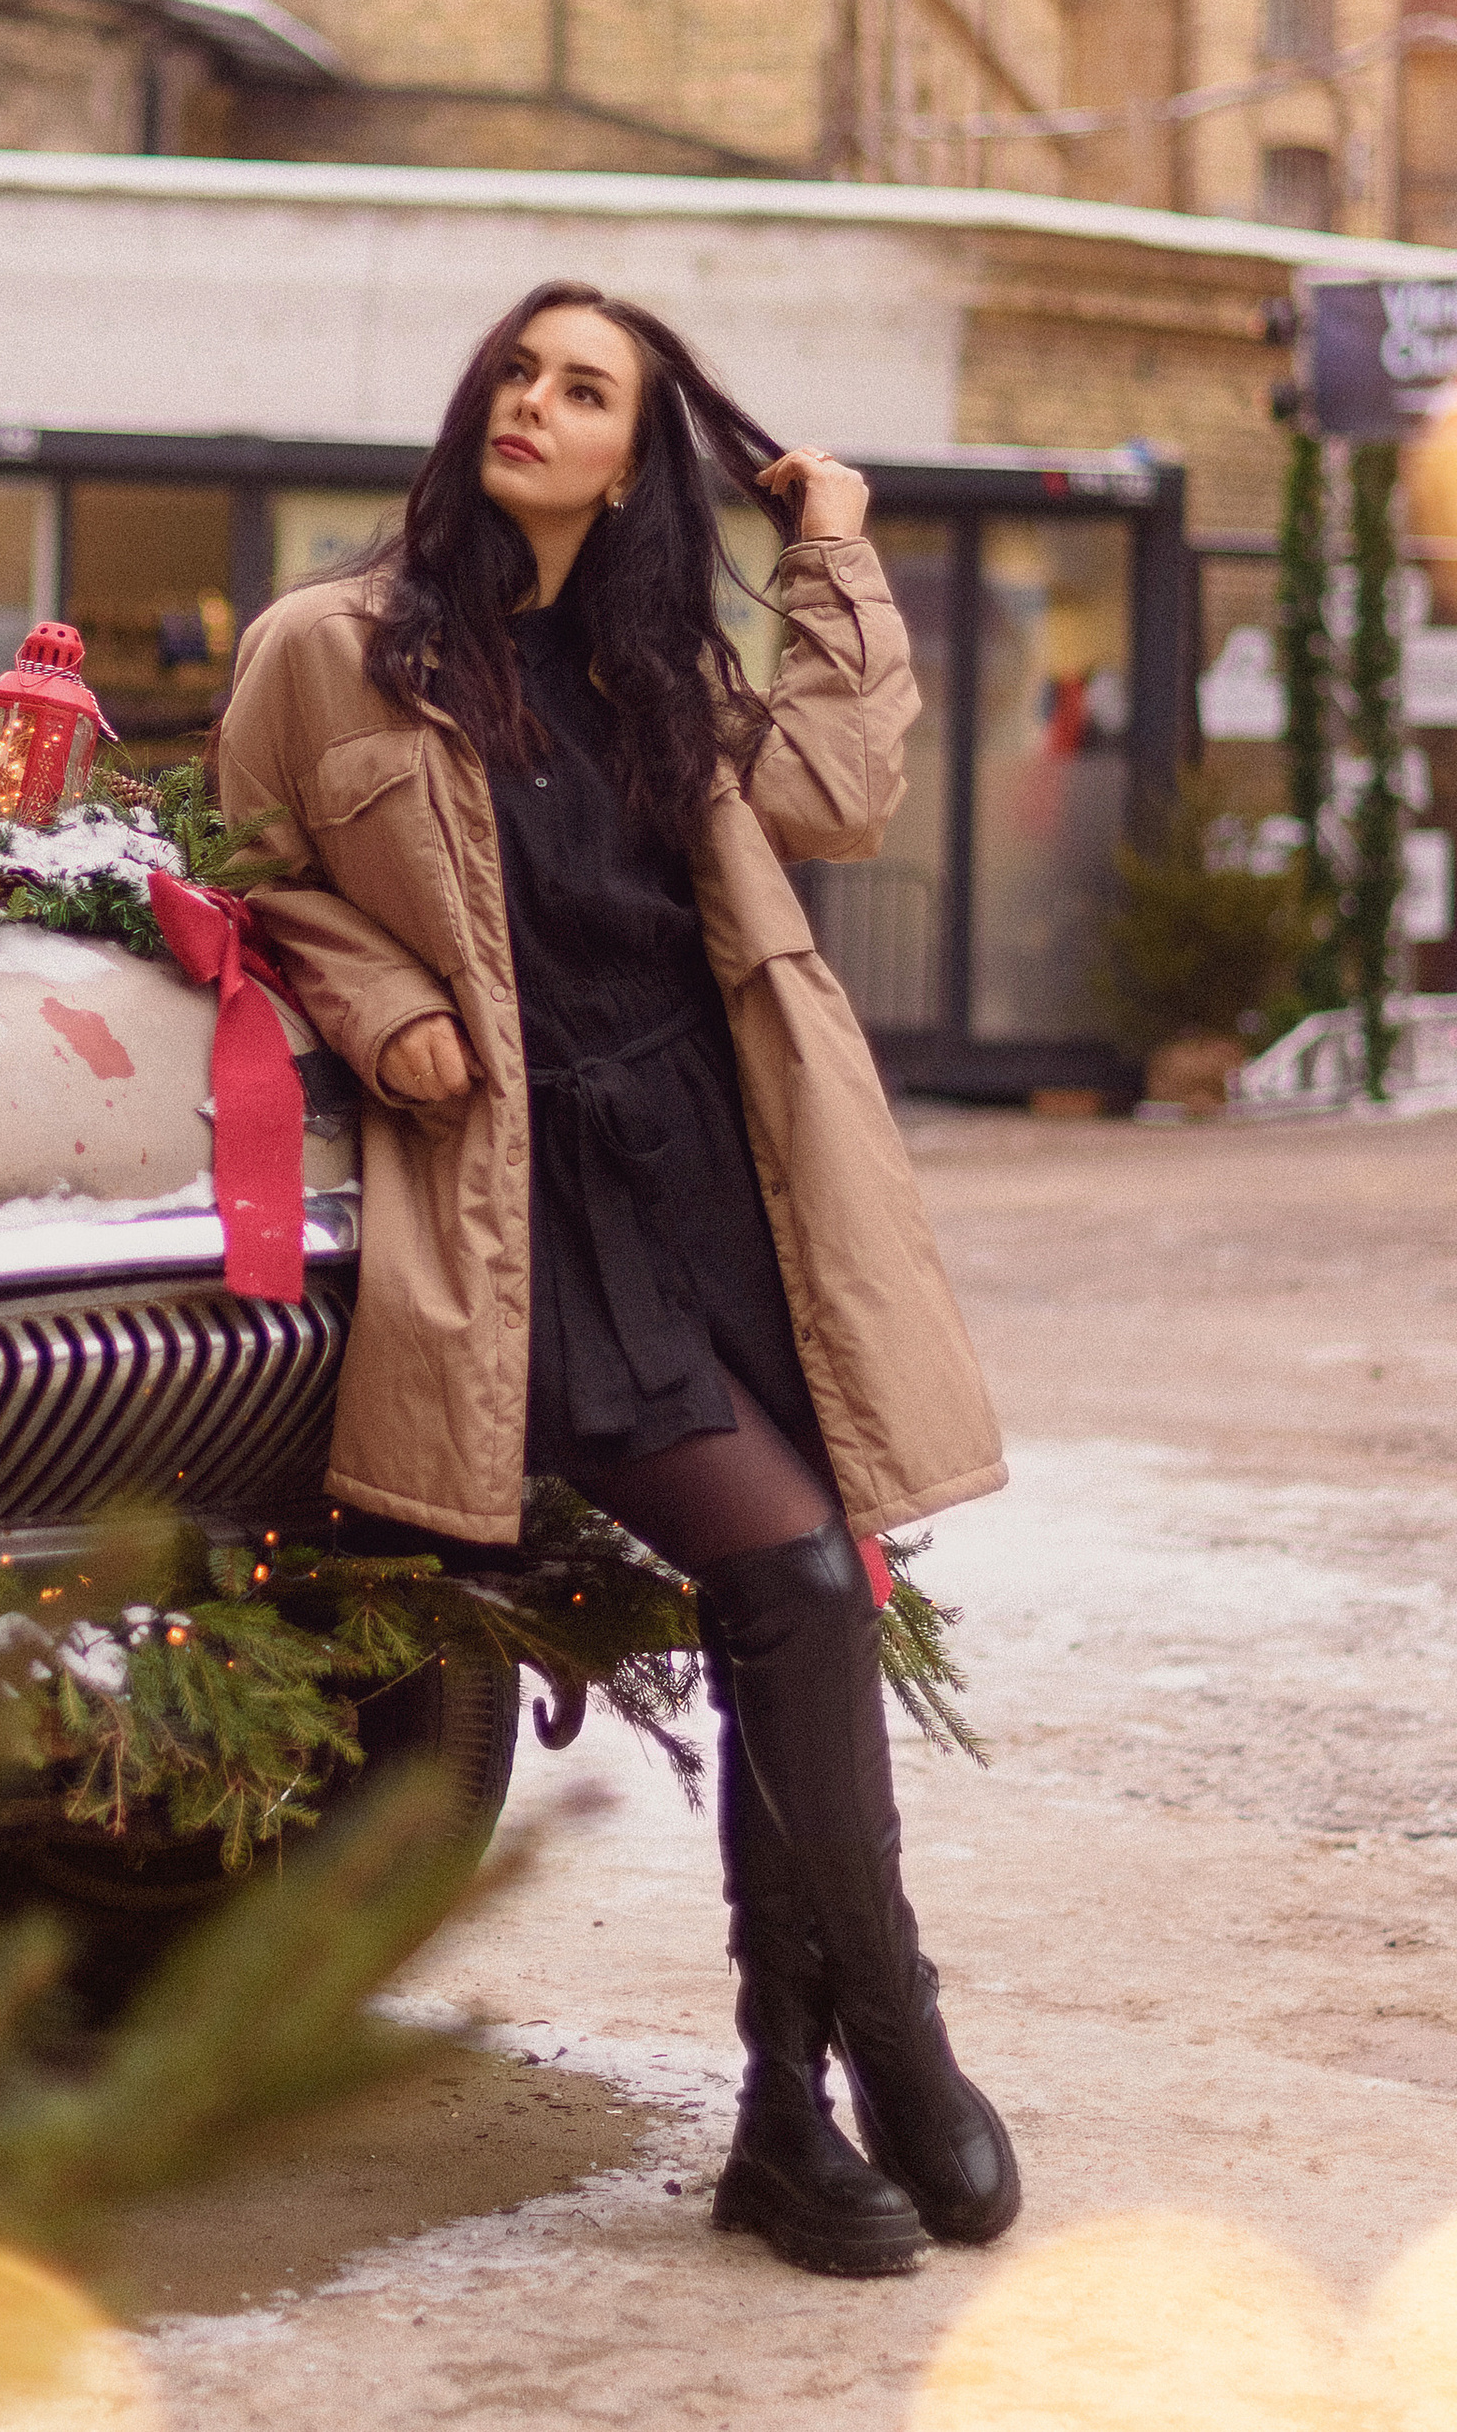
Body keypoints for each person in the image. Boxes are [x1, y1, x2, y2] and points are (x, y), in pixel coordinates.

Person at [216, 281, 1018, 2281]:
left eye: (583, 390)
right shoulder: (327, 648)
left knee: (795, 1609)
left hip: (724, 1174)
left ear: (632, 457)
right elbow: (247, 881)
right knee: (794, 1578)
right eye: (517, 369)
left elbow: (841, 791)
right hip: (529, 1196)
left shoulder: (661, 673)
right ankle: (895, 2037)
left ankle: (784, 2121)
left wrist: (830, 549)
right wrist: (385, 1001)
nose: (533, 402)